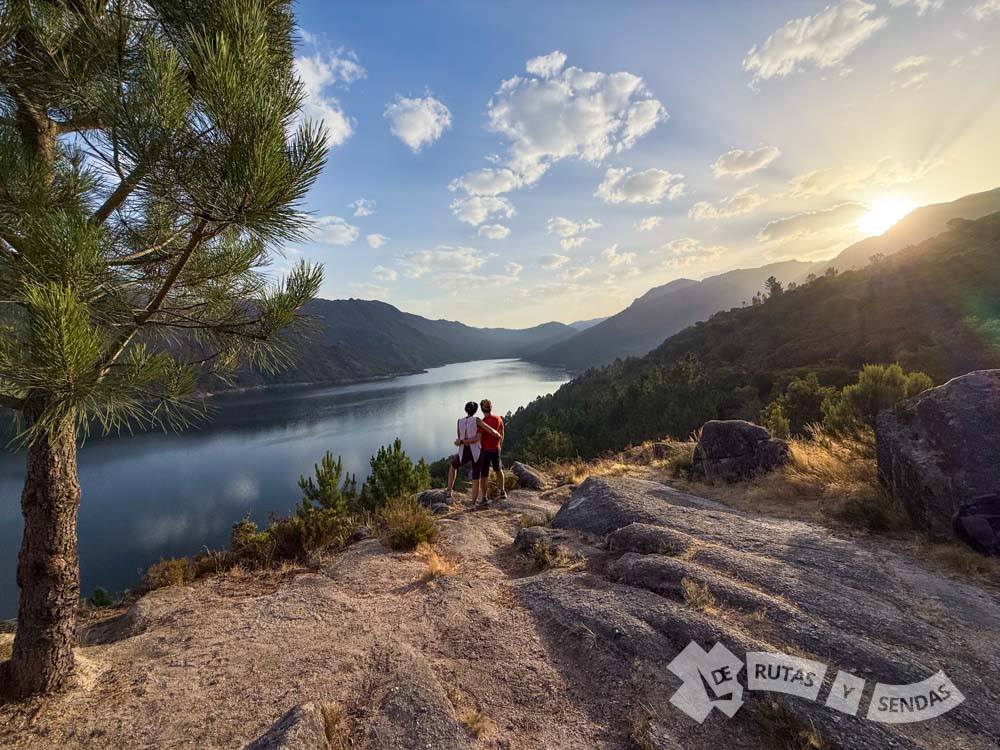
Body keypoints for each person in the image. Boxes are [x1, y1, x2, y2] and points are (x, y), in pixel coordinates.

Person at [447, 401, 501, 502]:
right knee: (475, 477)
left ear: (466, 410)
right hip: (476, 451)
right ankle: (473, 503)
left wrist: (461, 442)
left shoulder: (459, 421)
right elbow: (487, 430)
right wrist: (497, 434)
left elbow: (459, 438)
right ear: (476, 410)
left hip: (464, 451)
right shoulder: (477, 420)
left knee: (453, 466)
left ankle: (449, 489)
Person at [478, 399, 506, 501]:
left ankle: (484, 497)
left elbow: (479, 438)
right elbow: (502, 434)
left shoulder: (482, 422)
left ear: (482, 409)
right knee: (499, 470)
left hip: (485, 451)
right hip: (496, 449)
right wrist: (500, 445)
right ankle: (502, 491)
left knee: (484, 475)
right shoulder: (498, 419)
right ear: (491, 407)